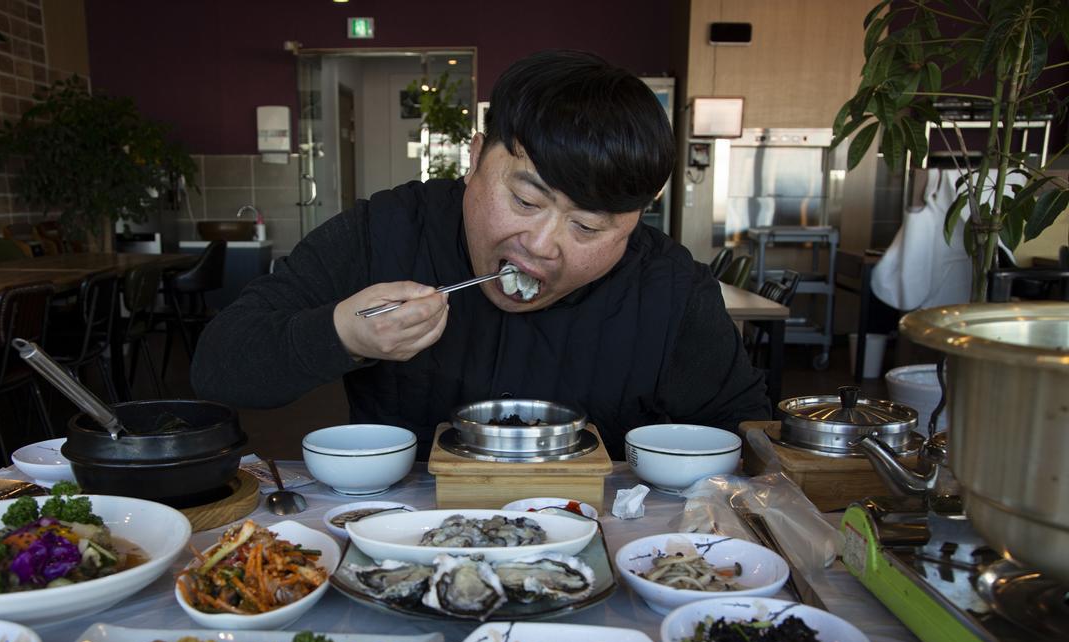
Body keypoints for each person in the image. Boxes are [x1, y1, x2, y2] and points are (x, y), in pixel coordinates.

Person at [191, 50, 769, 458]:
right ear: (473, 159)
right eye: (523, 200)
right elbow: (220, 367)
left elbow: (745, 441)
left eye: (588, 227)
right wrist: (342, 332)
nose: (542, 245)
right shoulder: (388, 230)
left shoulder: (671, 291)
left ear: (637, 218)